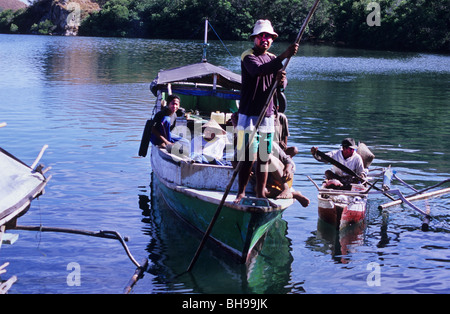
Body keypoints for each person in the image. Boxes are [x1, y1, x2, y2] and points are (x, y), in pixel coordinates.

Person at [234, 19, 299, 204]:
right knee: (247, 158)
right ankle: (241, 193)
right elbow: (257, 71)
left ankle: (260, 193)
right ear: (255, 38)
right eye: (261, 36)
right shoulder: (248, 56)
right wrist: (284, 55)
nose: (265, 39)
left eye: (268, 37)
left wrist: (281, 81)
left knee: (264, 158)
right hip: (249, 114)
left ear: (272, 39)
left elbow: (281, 85)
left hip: (267, 114)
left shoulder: (272, 59)